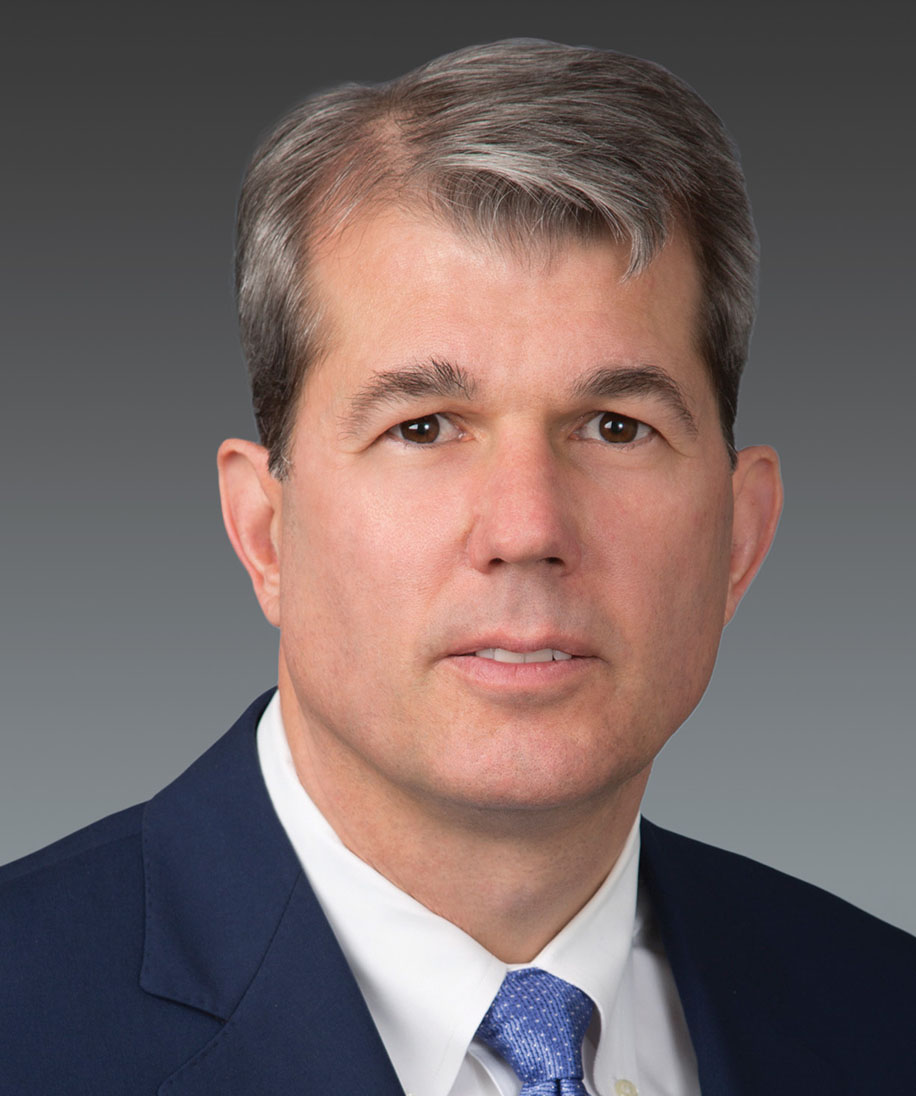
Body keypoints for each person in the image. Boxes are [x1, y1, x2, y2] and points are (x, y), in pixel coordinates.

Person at [1, 38, 913, 1096]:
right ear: (264, 530)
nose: (526, 528)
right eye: (424, 426)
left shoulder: (883, 1014)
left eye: (616, 426)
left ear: (740, 539)